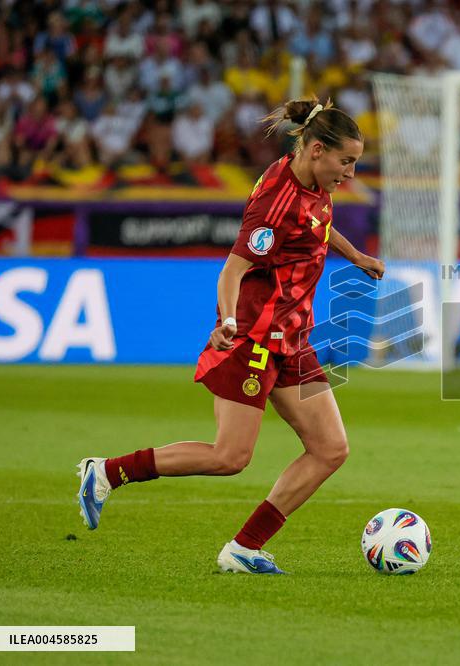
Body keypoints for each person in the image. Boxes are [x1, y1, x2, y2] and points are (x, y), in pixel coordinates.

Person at [76, 97, 385, 574]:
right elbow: (233, 270)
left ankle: (244, 548)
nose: (350, 173)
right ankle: (107, 472)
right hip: (256, 338)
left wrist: (356, 256)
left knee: (330, 449)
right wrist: (227, 321)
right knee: (230, 456)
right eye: (346, 162)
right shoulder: (276, 202)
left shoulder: (309, 179)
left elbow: (318, 225)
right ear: (317, 150)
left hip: (292, 339)